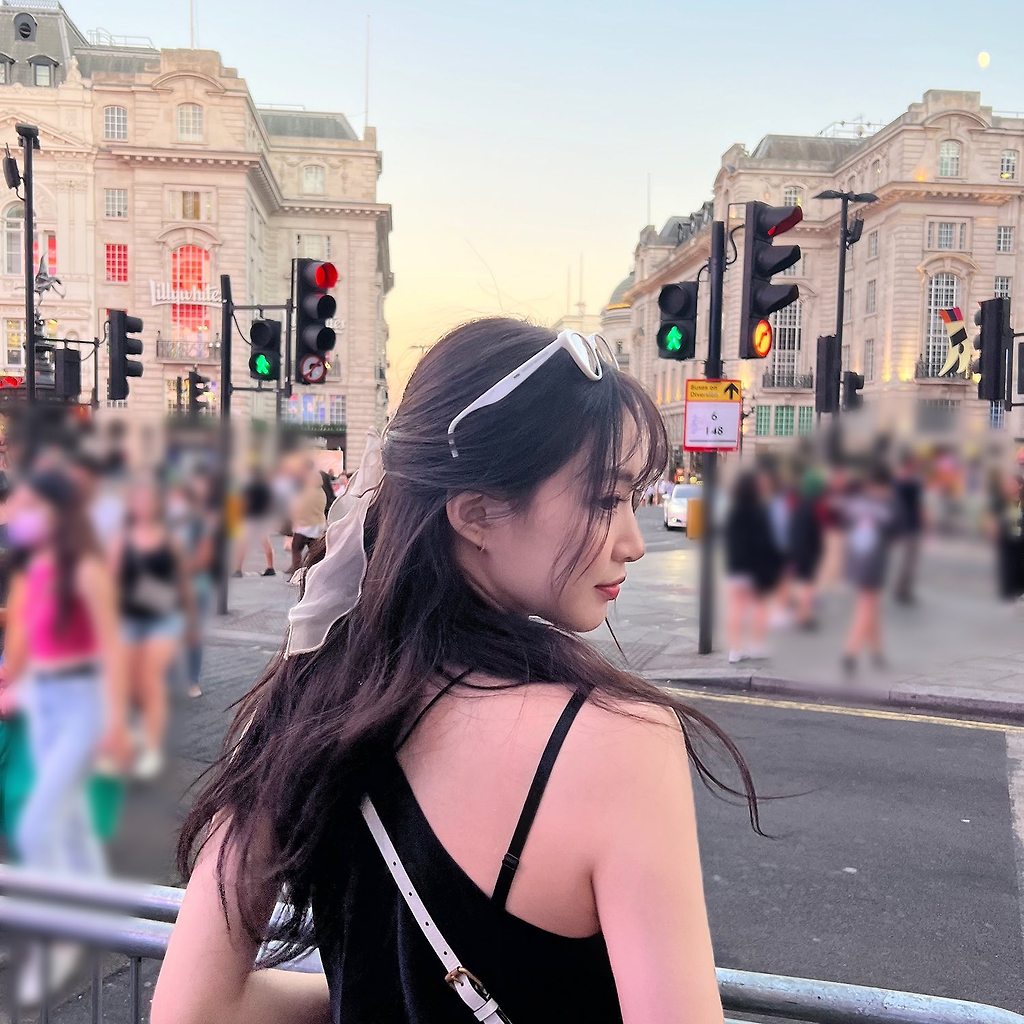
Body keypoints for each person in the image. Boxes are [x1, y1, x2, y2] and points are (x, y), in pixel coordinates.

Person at [155, 319, 761, 1024]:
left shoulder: (307, 701)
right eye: (605, 500)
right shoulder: (618, 743)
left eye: (632, 500)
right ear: (476, 514)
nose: (633, 542)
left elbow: (194, 1010)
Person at [0, 469, 130, 1004]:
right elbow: (26, 643)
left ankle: (52, 940)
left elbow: (111, 649)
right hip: (42, 706)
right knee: (66, 817)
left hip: (81, 704)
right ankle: (90, 912)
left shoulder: (87, 571)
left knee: (35, 825)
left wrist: (115, 725)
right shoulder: (34, 571)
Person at [115, 477, 197, 778]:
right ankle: (131, 736)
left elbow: (183, 583)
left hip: (163, 617)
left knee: (150, 680)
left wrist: (190, 622)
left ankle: (150, 747)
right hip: (128, 617)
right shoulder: (120, 539)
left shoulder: (170, 540)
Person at [839, 465, 896, 675]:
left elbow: (846, 524)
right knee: (866, 605)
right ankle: (850, 653)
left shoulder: (856, 504)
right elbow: (894, 531)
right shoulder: (884, 508)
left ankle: (876, 651)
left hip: (856, 560)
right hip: (872, 563)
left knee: (872, 606)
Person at [724, 469, 782, 664]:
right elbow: (765, 542)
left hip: (736, 567)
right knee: (759, 606)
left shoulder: (734, 511)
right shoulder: (759, 511)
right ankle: (756, 645)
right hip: (755, 568)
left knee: (736, 609)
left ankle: (735, 649)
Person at [789, 468, 825, 630]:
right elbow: (811, 533)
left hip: (799, 551)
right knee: (807, 585)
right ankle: (805, 616)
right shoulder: (811, 507)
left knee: (802, 583)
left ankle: (801, 613)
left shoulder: (800, 505)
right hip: (807, 553)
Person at [892, 452, 925, 604]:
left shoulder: (898, 481)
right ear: (910, 465)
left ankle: (902, 589)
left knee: (907, 559)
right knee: (910, 560)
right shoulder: (911, 483)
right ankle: (903, 590)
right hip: (911, 524)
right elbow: (918, 506)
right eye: (915, 464)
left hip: (904, 524)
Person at [287, 460, 329, 578]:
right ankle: (313, 571)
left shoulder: (307, 489)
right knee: (314, 549)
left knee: (296, 548)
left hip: (305, 524)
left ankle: (297, 572)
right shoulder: (319, 490)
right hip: (318, 523)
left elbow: (300, 507)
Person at [235, 466, 276, 578]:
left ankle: (238, 569)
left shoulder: (249, 488)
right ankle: (270, 567)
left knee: (242, 544)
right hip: (262, 518)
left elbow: (244, 503)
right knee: (266, 543)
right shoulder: (266, 488)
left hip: (251, 518)